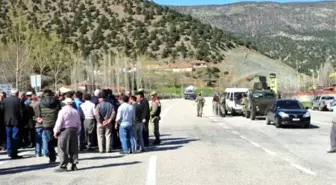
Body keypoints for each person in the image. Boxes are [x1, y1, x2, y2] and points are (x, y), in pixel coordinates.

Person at [53, 98, 82, 172]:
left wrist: (56, 131)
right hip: (74, 130)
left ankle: (63, 166)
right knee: (73, 148)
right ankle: (74, 164)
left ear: (65, 103)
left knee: (62, 148)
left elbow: (59, 123)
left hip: (64, 131)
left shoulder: (62, 111)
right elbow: (79, 123)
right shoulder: (76, 111)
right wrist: (78, 131)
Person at [38, 89, 61, 163]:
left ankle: (52, 158)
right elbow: (60, 111)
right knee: (59, 140)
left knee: (49, 141)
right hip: (57, 123)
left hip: (46, 124)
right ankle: (62, 156)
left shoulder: (41, 102)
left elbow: (39, 114)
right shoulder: (57, 101)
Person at [3, 89, 24, 159]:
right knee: (14, 137)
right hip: (16, 121)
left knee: (8, 137)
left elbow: (3, 110)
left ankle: (9, 152)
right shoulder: (19, 100)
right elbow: (21, 112)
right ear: (17, 93)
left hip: (7, 121)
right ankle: (14, 153)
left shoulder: (5, 100)